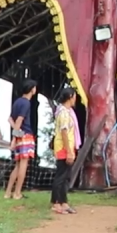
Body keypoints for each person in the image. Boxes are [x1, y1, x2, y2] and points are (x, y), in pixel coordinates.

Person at [4, 79, 37, 200]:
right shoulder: (26, 103)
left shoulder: (17, 102)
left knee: (17, 166)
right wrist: (15, 137)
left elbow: (10, 120)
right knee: (23, 165)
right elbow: (19, 120)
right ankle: (17, 193)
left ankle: (8, 192)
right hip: (25, 136)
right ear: (32, 89)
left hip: (20, 136)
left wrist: (16, 133)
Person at [50, 86, 81, 215]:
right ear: (70, 97)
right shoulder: (63, 113)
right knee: (61, 176)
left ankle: (64, 202)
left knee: (66, 176)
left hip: (66, 147)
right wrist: (69, 151)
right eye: (74, 96)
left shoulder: (66, 112)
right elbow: (64, 132)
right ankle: (57, 203)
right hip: (63, 147)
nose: (75, 99)